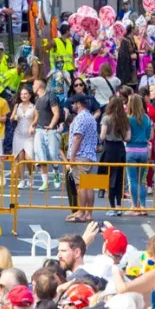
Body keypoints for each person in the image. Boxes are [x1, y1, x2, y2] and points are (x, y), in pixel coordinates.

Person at [66, 94, 99, 222]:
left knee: (81, 185)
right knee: (89, 185)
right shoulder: (91, 117)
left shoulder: (80, 118)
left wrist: (72, 157)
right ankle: (88, 214)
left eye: (73, 103)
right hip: (90, 155)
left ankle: (81, 212)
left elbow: (78, 137)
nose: (71, 105)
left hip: (80, 155)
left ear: (78, 104)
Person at [100, 95, 131, 215]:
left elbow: (102, 136)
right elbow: (127, 138)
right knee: (119, 178)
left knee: (109, 178)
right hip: (120, 148)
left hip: (109, 148)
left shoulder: (106, 118)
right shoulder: (125, 119)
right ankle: (119, 206)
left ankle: (112, 206)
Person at [32, 78, 63, 190]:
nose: (33, 86)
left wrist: (51, 125)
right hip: (39, 130)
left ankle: (56, 173)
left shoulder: (50, 96)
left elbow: (56, 113)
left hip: (51, 130)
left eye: (34, 84)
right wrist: (33, 125)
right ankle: (45, 182)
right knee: (39, 153)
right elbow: (37, 115)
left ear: (39, 85)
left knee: (53, 155)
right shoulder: (37, 99)